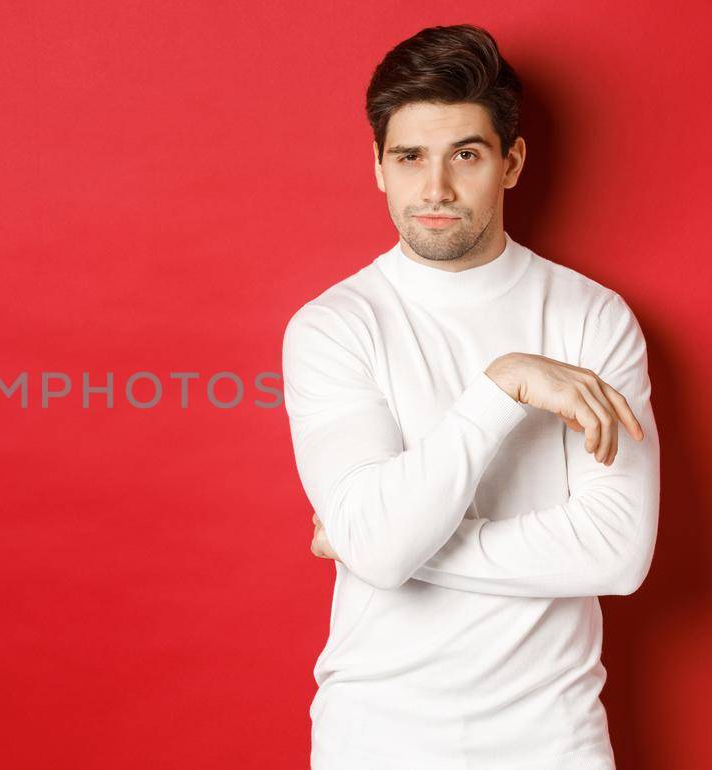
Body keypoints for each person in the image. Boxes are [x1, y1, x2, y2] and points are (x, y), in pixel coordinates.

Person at [281, 24, 661, 769]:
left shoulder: (592, 317)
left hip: (555, 739)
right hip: (376, 737)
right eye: (410, 157)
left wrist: (379, 546)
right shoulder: (333, 327)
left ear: (511, 162)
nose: (436, 189)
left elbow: (616, 554)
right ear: (379, 168)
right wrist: (502, 386)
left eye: (466, 155)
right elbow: (379, 546)